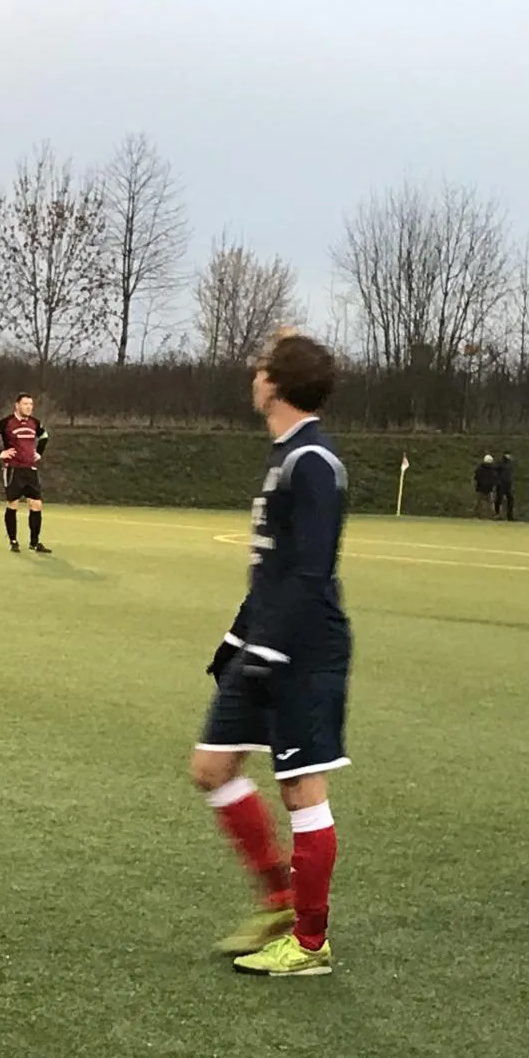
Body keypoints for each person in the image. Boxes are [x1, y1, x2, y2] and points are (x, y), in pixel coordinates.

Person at [190, 331, 350, 977]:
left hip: (303, 649)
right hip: (265, 640)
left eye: (260, 369)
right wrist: (237, 639)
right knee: (212, 769)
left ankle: (310, 944)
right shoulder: (286, 454)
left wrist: (272, 650)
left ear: (275, 385)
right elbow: (272, 571)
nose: (253, 377)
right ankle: (280, 902)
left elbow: (310, 572)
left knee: (301, 789)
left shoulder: (314, 461)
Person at [0, 394, 51, 553]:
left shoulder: (34, 423)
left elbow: (44, 436)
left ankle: (34, 543)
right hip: (13, 469)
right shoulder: (6, 422)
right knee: (13, 503)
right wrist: (0, 453)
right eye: (25, 404)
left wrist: (39, 452)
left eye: (31, 404)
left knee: (36, 504)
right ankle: (13, 541)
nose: (29, 407)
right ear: (17, 406)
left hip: (30, 469)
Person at [492, 452, 516, 521]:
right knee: (499, 499)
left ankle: (510, 516)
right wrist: (498, 481)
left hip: (508, 484)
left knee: (510, 500)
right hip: (501, 484)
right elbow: (495, 472)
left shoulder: (510, 464)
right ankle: (497, 514)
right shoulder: (500, 463)